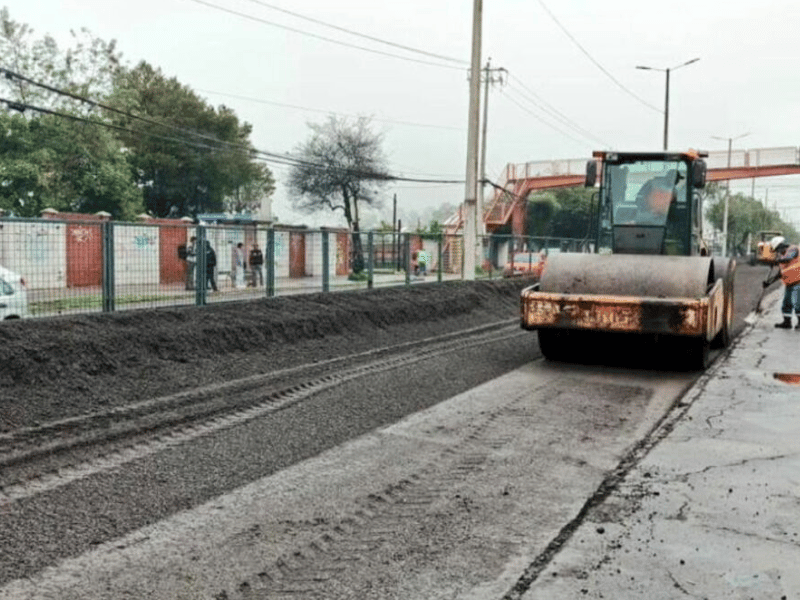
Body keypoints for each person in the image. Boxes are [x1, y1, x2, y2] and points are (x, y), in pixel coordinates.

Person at [763, 235, 800, 328]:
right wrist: (768, 283)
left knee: (797, 303)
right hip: (789, 284)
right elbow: (780, 274)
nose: (778, 252)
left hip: (798, 282)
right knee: (786, 304)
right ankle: (787, 323)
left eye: (777, 249)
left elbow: (788, 258)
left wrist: (775, 261)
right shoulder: (782, 257)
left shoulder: (792, 249)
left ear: (781, 246)